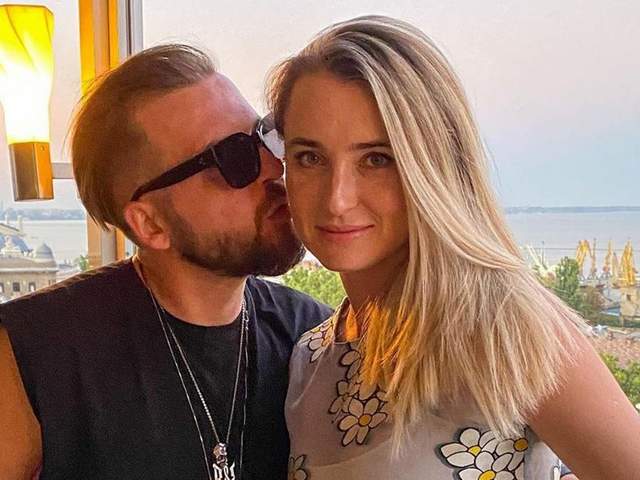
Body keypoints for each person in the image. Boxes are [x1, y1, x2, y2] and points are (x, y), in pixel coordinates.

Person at [266, 15, 640, 480]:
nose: (337, 199)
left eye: (377, 159)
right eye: (310, 158)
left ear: (436, 167)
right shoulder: (310, 359)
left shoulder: (505, 331)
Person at [0, 44, 331, 480]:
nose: (274, 167)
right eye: (233, 157)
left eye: (263, 137)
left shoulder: (314, 337)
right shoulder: (32, 355)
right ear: (150, 224)